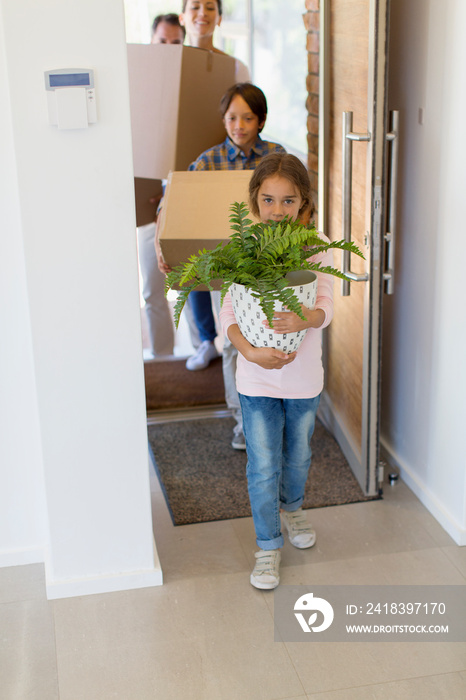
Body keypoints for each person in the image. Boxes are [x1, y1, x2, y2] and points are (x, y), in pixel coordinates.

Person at [219, 153, 335, 589]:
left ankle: (293, 507)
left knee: (299, 455)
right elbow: (229, 309)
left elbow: (326, 308)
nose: (277, 210)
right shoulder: (243, 250)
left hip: (303, 379)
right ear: (254, 202)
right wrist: (248, 351)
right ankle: (267, 547)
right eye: (268, 199)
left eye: (288, 201)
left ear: (303, 203)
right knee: (263, 463)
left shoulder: (318, 245)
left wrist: (305, 319)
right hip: (256, 377)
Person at [157, 83, 286, 450]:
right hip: (226, 272)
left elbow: (300, 204)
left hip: (270, 267)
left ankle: (273, 418)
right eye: (232, 117)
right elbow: (172, 205)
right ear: (224, 120)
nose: (239, 125)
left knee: (271, 339)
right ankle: (243, 423)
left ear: (260, 120)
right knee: (234, 344)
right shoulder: (208, 160)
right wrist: (160, 242)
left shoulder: (276, 157)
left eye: (247, 117)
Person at [136, 14, 186, 358]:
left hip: (186, 202)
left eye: (175, 43)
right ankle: (163, 358)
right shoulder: (138, 85)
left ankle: (201, 352)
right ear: (151, 43)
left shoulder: (192, 85)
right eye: (162, 42)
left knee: (195, 287)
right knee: (153, 290)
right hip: (148, 205)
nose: (168, 49)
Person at [179, 0, 249, 82]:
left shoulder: (236, 68)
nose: (202, 13)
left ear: (220, 19)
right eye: (195, 7)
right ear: (181, 18)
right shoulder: (173, 63)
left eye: (210, 8)